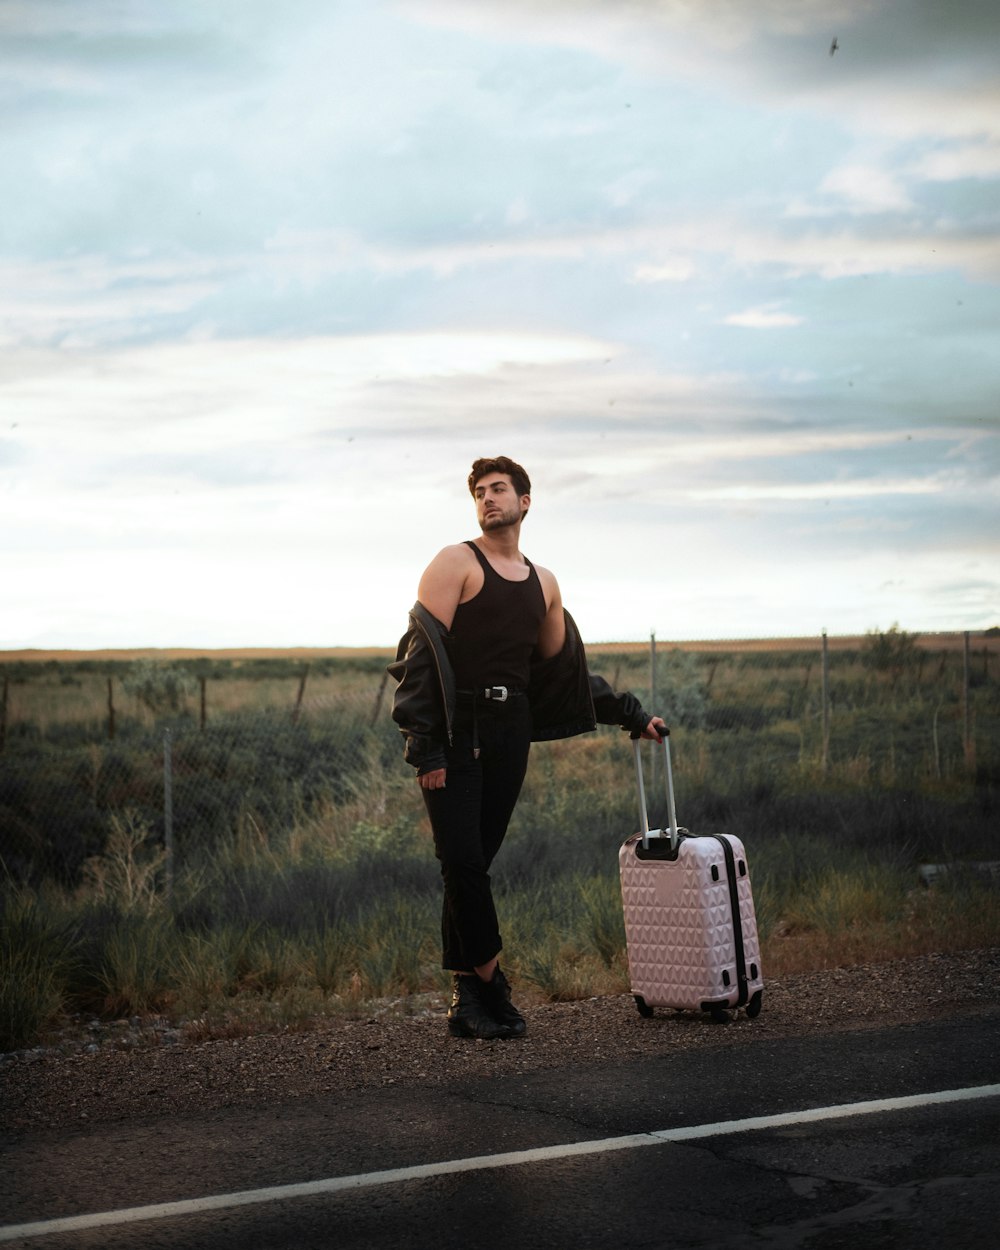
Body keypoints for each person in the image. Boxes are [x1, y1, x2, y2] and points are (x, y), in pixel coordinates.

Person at [388, 456, 667, 1040]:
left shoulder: (544, 583)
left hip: (509, 731)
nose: (488, 499)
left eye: (499, 490)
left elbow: (559, 673)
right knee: (461, 861)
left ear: (525, 502)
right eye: (480, 493)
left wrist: (629, 714)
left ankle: (467, 1001)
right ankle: (493, 984)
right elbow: (420, 658)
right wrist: (426, 748)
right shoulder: (454, 562)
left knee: (473, 865)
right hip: (456, 730)